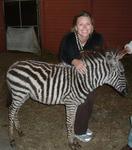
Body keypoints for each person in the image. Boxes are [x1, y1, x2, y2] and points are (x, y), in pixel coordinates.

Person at [58, 10, 104, 142]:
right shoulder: (68, 38)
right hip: (69, 69)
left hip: (88, 73)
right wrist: (74, 61)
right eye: (80, 24)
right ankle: (79, 131)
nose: (84, 27)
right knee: (82, 98)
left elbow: (101, 56)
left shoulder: (98, 38)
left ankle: (81, 126)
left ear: (92, 26)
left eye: (87, 24)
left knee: (90, 98)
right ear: (75, 27)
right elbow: (62, 55)